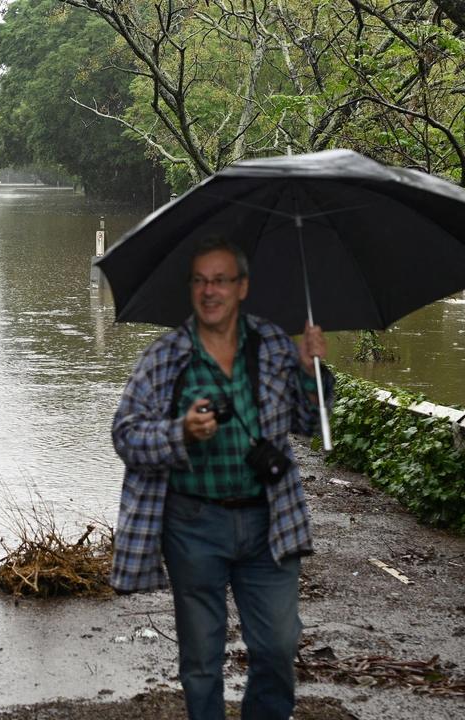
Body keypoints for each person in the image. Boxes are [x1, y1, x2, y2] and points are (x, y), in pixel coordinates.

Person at [109, 236, 332, 720]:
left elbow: (309, 424)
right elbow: (125, 436)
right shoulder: (165, 357)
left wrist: (313, 372)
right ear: (191, 288)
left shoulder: (274, 344)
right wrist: (180, 432)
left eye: (221, 280)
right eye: (200, 281)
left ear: (243, 286)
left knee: (276, 648)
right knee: (202, 661)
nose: (210, 291)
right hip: (192, 525)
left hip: (269, 523)